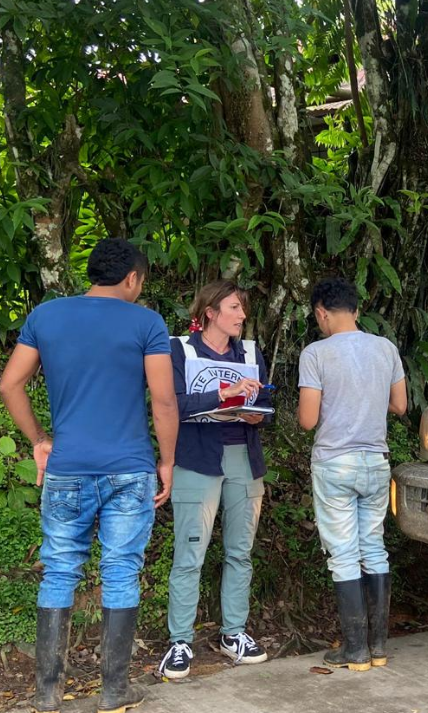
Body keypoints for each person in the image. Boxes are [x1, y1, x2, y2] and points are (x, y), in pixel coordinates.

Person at [0, 238, 177, 713]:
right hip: (129, 469)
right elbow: (162, 401)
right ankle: (115, 692)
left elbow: (9, 383)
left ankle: (46, 693)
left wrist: (38, 437)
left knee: (59, 570)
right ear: (132, 278)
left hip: (67, 468)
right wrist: (167, 461)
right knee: (121, 571)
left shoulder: (47, 316)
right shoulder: (147, 322)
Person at [157, 281, 272, 680]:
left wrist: (257, 411)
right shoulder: (180, 349)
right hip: (196, 457)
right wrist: (223, 394)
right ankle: (180, 641)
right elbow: (171, 402)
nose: (242, 316)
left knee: (240, 551)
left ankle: (234, 634)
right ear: (210, 312)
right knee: (190, 553)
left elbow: (266, 404)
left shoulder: (252, 352)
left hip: (243, 454)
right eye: (235, 308)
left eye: (243, 309)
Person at [298, 277, 407, 671]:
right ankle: (378, 649)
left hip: (335, 463)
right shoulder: (385, 348)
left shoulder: (316, 353)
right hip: (375, 462)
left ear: (321, 313)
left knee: (343, 555)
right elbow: (400, 405)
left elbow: (308, 420)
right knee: (373, 547)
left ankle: (355, 650)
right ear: (357, 311)